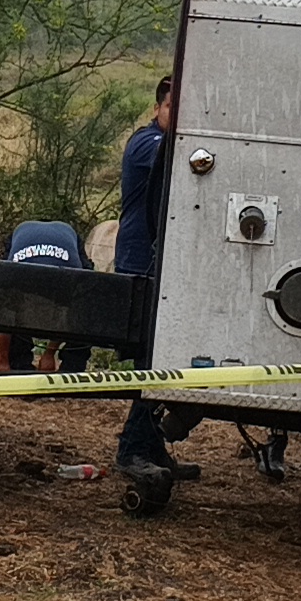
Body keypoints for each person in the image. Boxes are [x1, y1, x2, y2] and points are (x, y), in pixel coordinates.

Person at [111, 76, 204, 483]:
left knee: (165, 359)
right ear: (156, 109)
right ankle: (132, 450)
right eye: (170, 107)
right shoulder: (146, 144)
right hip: (140, 263)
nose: (176, 115)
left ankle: (151, 448)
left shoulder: (165, 141)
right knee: (152, 361)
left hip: (161, 263)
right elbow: (182, 161)